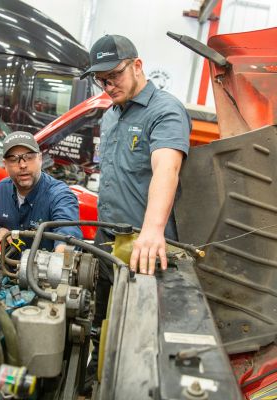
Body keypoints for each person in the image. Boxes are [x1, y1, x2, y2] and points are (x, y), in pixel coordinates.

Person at [80, 34, 191, 391]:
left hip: (143, 248)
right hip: (106, 241)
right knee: (98, 322)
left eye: (114, 75)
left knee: (139, 341)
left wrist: (153, 230)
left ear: (137, 65)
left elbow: (166, 170)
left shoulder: (165, 110)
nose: (108, 85)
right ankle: (91, 381)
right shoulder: (111, 116)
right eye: (101, 79)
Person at [0, 131, 82, 252]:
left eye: (29, 157)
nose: (22, 165)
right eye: (13, 159)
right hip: (4, 268)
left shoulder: (59, 195)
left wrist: (62, 252)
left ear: (40, 159)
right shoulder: (0, 190)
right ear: (5, 164)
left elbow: (68, 231)